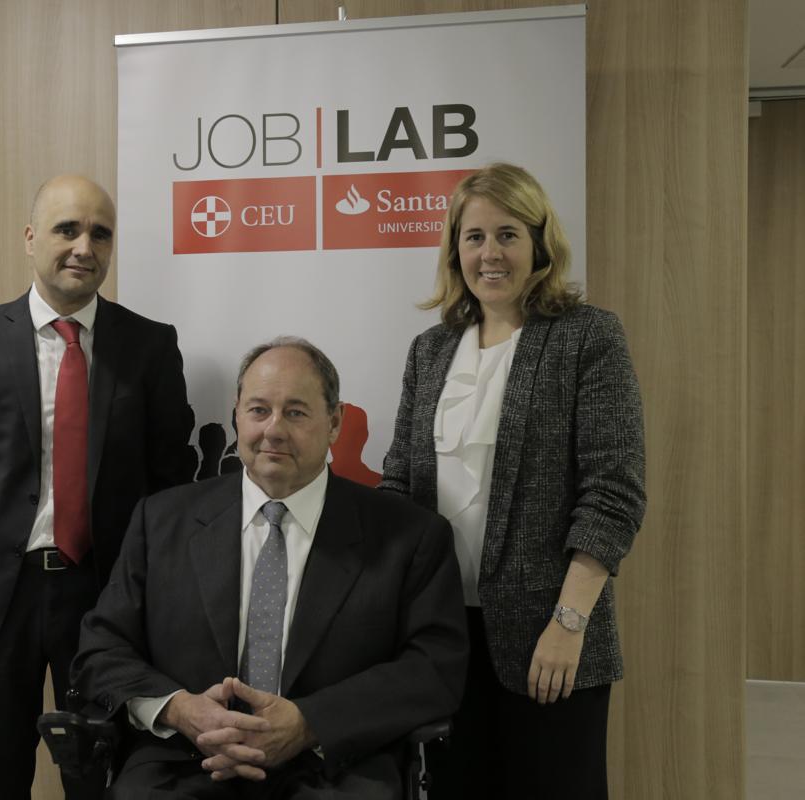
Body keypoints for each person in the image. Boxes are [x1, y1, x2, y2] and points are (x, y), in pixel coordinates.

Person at [72, 337, 468, 799]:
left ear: (335, 422)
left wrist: (310, 723)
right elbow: (101, 648)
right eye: (259, 410)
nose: (273, 430)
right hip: (185, 760)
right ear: (236, 414)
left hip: (335, 763)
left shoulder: (409, 536)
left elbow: (434, 668)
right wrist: (181, 710)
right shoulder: (161, 521)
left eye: (296, 412)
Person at [0, 174, 197, 799]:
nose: (84, 247)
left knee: (103, 782)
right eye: (67, 229)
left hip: (105, 598)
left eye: (100, 233)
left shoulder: (150, 346)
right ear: (29, 237)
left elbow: (169, 477)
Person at [380, 163, 646, 799]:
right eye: (473, 238)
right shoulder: (430, 349)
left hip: (551, 636)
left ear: (539, 244)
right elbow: (400, 482)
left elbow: (614, 493)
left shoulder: (587, 337)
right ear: (455, 251)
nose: (489, 253)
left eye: (507, 234)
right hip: (444, 638)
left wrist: (569, 623)